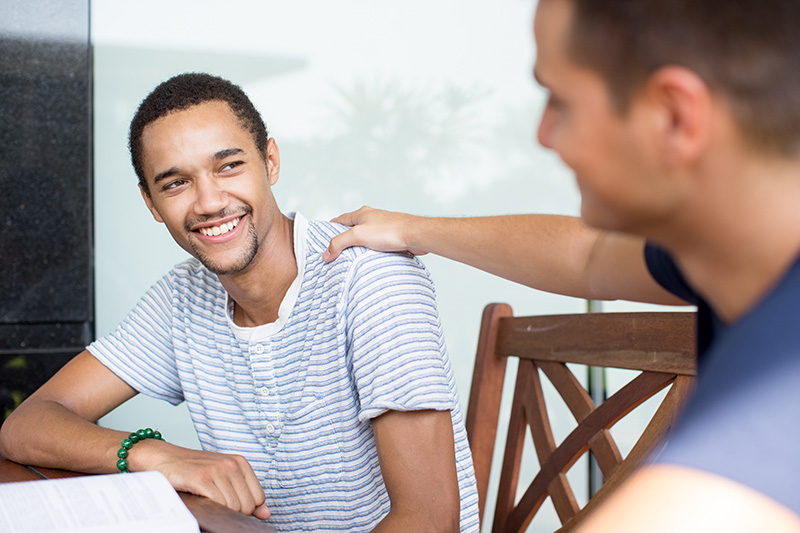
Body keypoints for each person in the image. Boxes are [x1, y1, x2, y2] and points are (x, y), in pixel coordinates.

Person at [323, 0, 800, 531]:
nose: (543, 135)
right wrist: (415, 230)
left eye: (560, 101)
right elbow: (586, 256)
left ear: (674, 116)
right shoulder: (726, 249)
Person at [0, 72, 480, 532]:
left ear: (270, 162)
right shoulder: (181, 298)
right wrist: (156, 455)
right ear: (150, 202)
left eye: (229, 166)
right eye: (175, 183)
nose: (209, 202)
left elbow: (430, 521)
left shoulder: (368, 276)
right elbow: (26, 425)